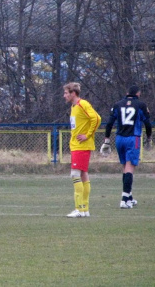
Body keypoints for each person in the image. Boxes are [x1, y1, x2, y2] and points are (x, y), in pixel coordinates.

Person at [101, 85, 152, 209]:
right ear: (138, 93)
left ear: (127, 92)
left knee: (125, 167)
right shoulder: (141, 105)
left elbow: (109, 124)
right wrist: (149, 138)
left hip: (119, 138)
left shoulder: (117, 104)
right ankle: (124, 199)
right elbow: (147, 123)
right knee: (130, 167)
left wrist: (107, 140)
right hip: (132, 138)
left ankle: (129, 196)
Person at [63, 82, 101, 218]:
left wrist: (88, 135)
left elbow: (97, 119)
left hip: (81, 146)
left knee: (75, 174)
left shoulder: (82, 104)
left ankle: (79, 208)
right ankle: (84, 209)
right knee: (83, 174)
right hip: (77, 146)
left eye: (66, 93)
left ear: (73, 93)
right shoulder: (74, 107)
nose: (64, 96)